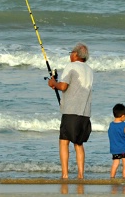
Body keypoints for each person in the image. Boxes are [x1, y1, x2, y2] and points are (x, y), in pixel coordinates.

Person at [48, 42, 93, 179]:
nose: (70, 55)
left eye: (71, 52)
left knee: (64, 141)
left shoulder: (71, 66)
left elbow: (63, 86)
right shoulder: (89, 70)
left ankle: (65, 175)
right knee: (78, 144)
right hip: (85, 113)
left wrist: (53, 83)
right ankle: (80, 175)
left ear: (75, 54)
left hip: (71, 111)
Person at [108, 103, 125, 178]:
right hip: (123, 149)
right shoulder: (124, 125)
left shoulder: (111, 124)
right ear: (122, 116)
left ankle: (112, 177)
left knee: (115, 163)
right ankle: (124, 177)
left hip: (114, 149)